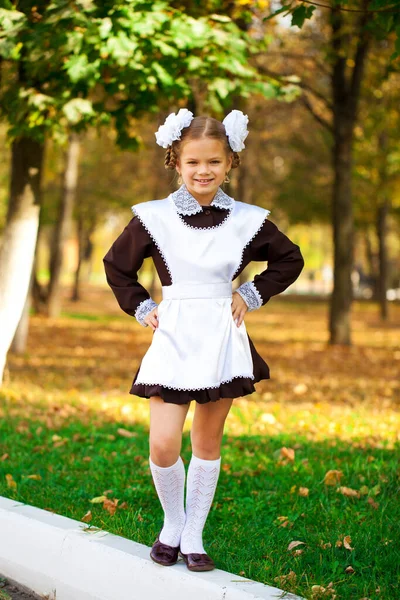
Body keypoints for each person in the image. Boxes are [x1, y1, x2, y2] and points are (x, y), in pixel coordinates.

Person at [103, 109, 305, 572]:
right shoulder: (152, 217)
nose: (203, 171)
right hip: (173, 336)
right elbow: (117, 266)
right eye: (193, 162)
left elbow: (288, 260)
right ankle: (172, 521)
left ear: (230, 162)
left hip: (221, 337)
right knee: (164, 443)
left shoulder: (247, 221)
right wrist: (142, 306)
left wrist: (251, 293)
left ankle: (193, 534)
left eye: (214, 161)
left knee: (207, 442)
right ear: (175, 161)